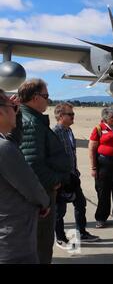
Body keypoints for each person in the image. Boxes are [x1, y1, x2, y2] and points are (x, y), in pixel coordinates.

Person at [16, 79, 72, 264]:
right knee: (41, 243)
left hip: (41, 191)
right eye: (46, 96)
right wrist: (55, 181)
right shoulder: (31, 123)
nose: (48, 100)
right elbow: (31, 163)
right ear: (35, 97)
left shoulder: (33, 119)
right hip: (42, 193)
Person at [0, 89, 50, 264]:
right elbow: (32, 186)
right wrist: (45, 203)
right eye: (10, 106)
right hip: (13, 243)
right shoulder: (3, 149)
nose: (14, 108)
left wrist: (17, 113)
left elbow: (15, 139)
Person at [53, 103, 99, 248]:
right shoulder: (55, 133)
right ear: (61, 116)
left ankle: (82, 232)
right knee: (60, 210)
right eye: (70, 114)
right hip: (61, 178)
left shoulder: (69, 131)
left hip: (73, 176)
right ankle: (60, 237)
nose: (73, 117)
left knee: (80, 203)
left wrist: (75, 172)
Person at [89, 107, 113, 228]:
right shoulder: (99, 129)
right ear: (105, 117)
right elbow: (92, 149)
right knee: (103, 192)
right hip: (104, 164)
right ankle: (101, 217)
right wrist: (93, 167)